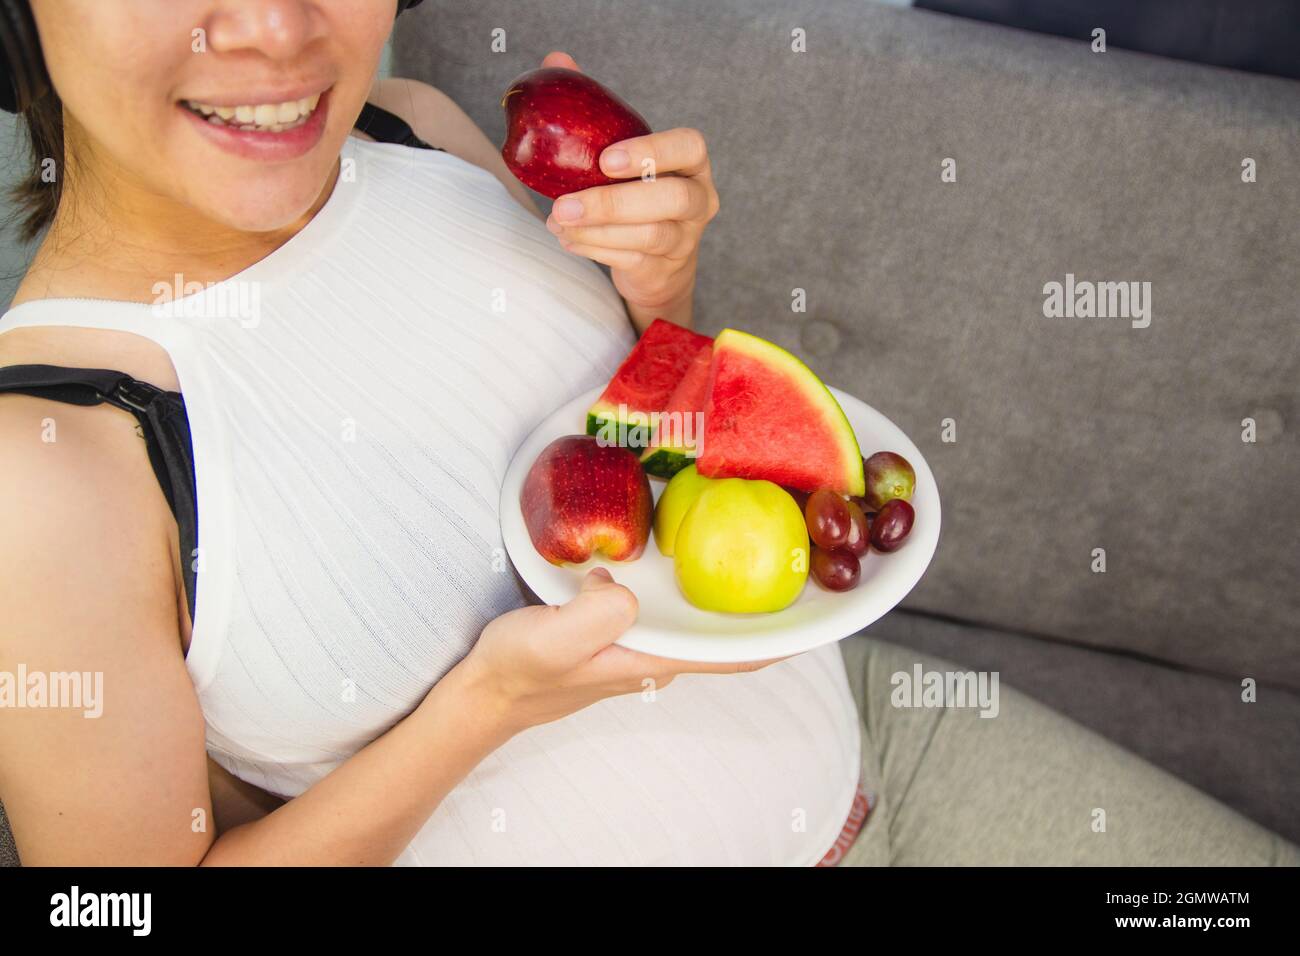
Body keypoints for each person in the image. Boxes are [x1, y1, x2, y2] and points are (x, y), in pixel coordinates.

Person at [0, 0, 1294, 867]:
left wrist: (659, 301)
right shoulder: (46, 472)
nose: (277, 31)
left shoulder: (424, 131)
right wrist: (487, 707)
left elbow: (625, 472)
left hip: (882, 749)